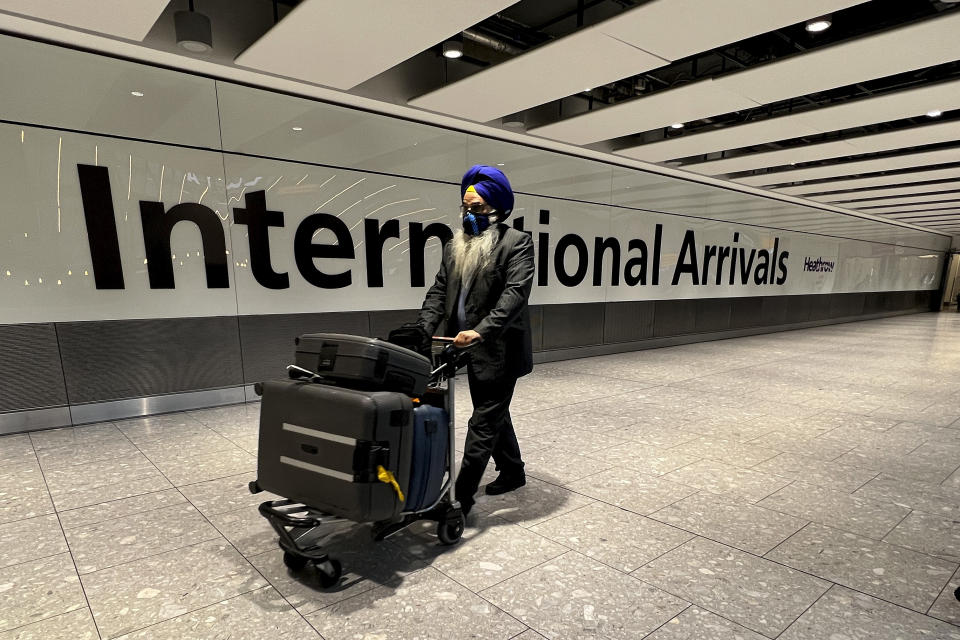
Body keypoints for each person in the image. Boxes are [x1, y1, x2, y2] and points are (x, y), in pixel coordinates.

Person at [417, 165, 535, 517]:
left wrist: (482, 330)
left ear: (498, 209)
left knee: (483, 421)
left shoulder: (517, 244)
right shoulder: (456, 245)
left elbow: (514, 295)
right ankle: (512, 471)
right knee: (494, 411)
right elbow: (439, 291)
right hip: (462, 343)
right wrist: (422, 328)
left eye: (478, 208)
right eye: (466, 207)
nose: (470, 214)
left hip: (499, 348)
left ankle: (459, 498)